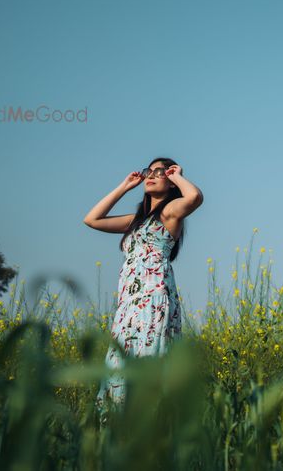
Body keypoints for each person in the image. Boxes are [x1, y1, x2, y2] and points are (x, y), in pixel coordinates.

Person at [83, 157, 204, 411]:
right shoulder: (134, 222)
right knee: (120, 366)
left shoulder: (170, 213)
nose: (152, 174)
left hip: (153, 300)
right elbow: (92, 219)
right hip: (129, 305)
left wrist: (177, 176)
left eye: (161, 172)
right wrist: (124, 186)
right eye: (150, 170)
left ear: (171, 182)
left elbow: (194, 197)